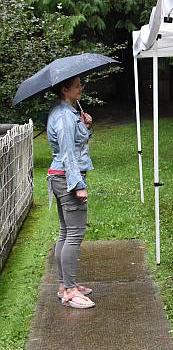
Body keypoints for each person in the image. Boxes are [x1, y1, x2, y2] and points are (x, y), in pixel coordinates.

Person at [47, 76, 95, 309]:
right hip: (67, 178)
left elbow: (77, 144)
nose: (81, 89)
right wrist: (78, 184)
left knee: (66, 232)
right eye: (76, 86)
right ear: (64, 89)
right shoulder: (65, 116)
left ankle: (63, 284)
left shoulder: (67, 112)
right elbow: (68, 153)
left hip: (59, 176)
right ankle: (70, 290)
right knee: (74, 234)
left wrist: (86, 126)